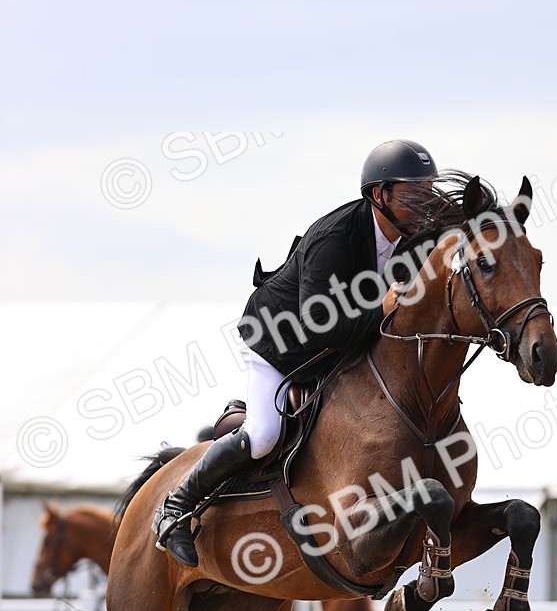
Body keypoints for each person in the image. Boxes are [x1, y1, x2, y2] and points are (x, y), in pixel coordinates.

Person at [155, 139, 439, 567]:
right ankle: (176, 508)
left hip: (341, 350)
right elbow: (322, 326)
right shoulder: (334, 238)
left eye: (429, 190)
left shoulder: (417, 235)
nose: (426, 202)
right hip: (284, 344)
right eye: (413, 193)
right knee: (264, 434)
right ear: (379, 195)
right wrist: (383, 309)